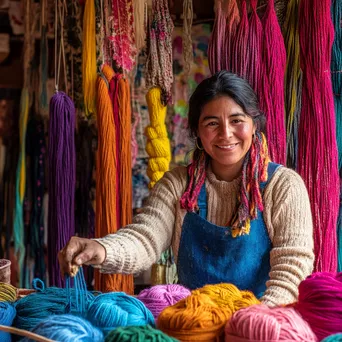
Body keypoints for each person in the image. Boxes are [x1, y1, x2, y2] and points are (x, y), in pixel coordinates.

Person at [58, 71, 314, 306]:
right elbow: (145, 238)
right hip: (193, 325)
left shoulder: (283, 186)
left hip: (262, 325)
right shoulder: (178, 185)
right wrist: (100, 249)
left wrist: (254, 322)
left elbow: (292, 268)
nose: (226, 134)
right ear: (197, 131)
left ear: (254, 125)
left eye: (237, 120)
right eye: (212, 123)